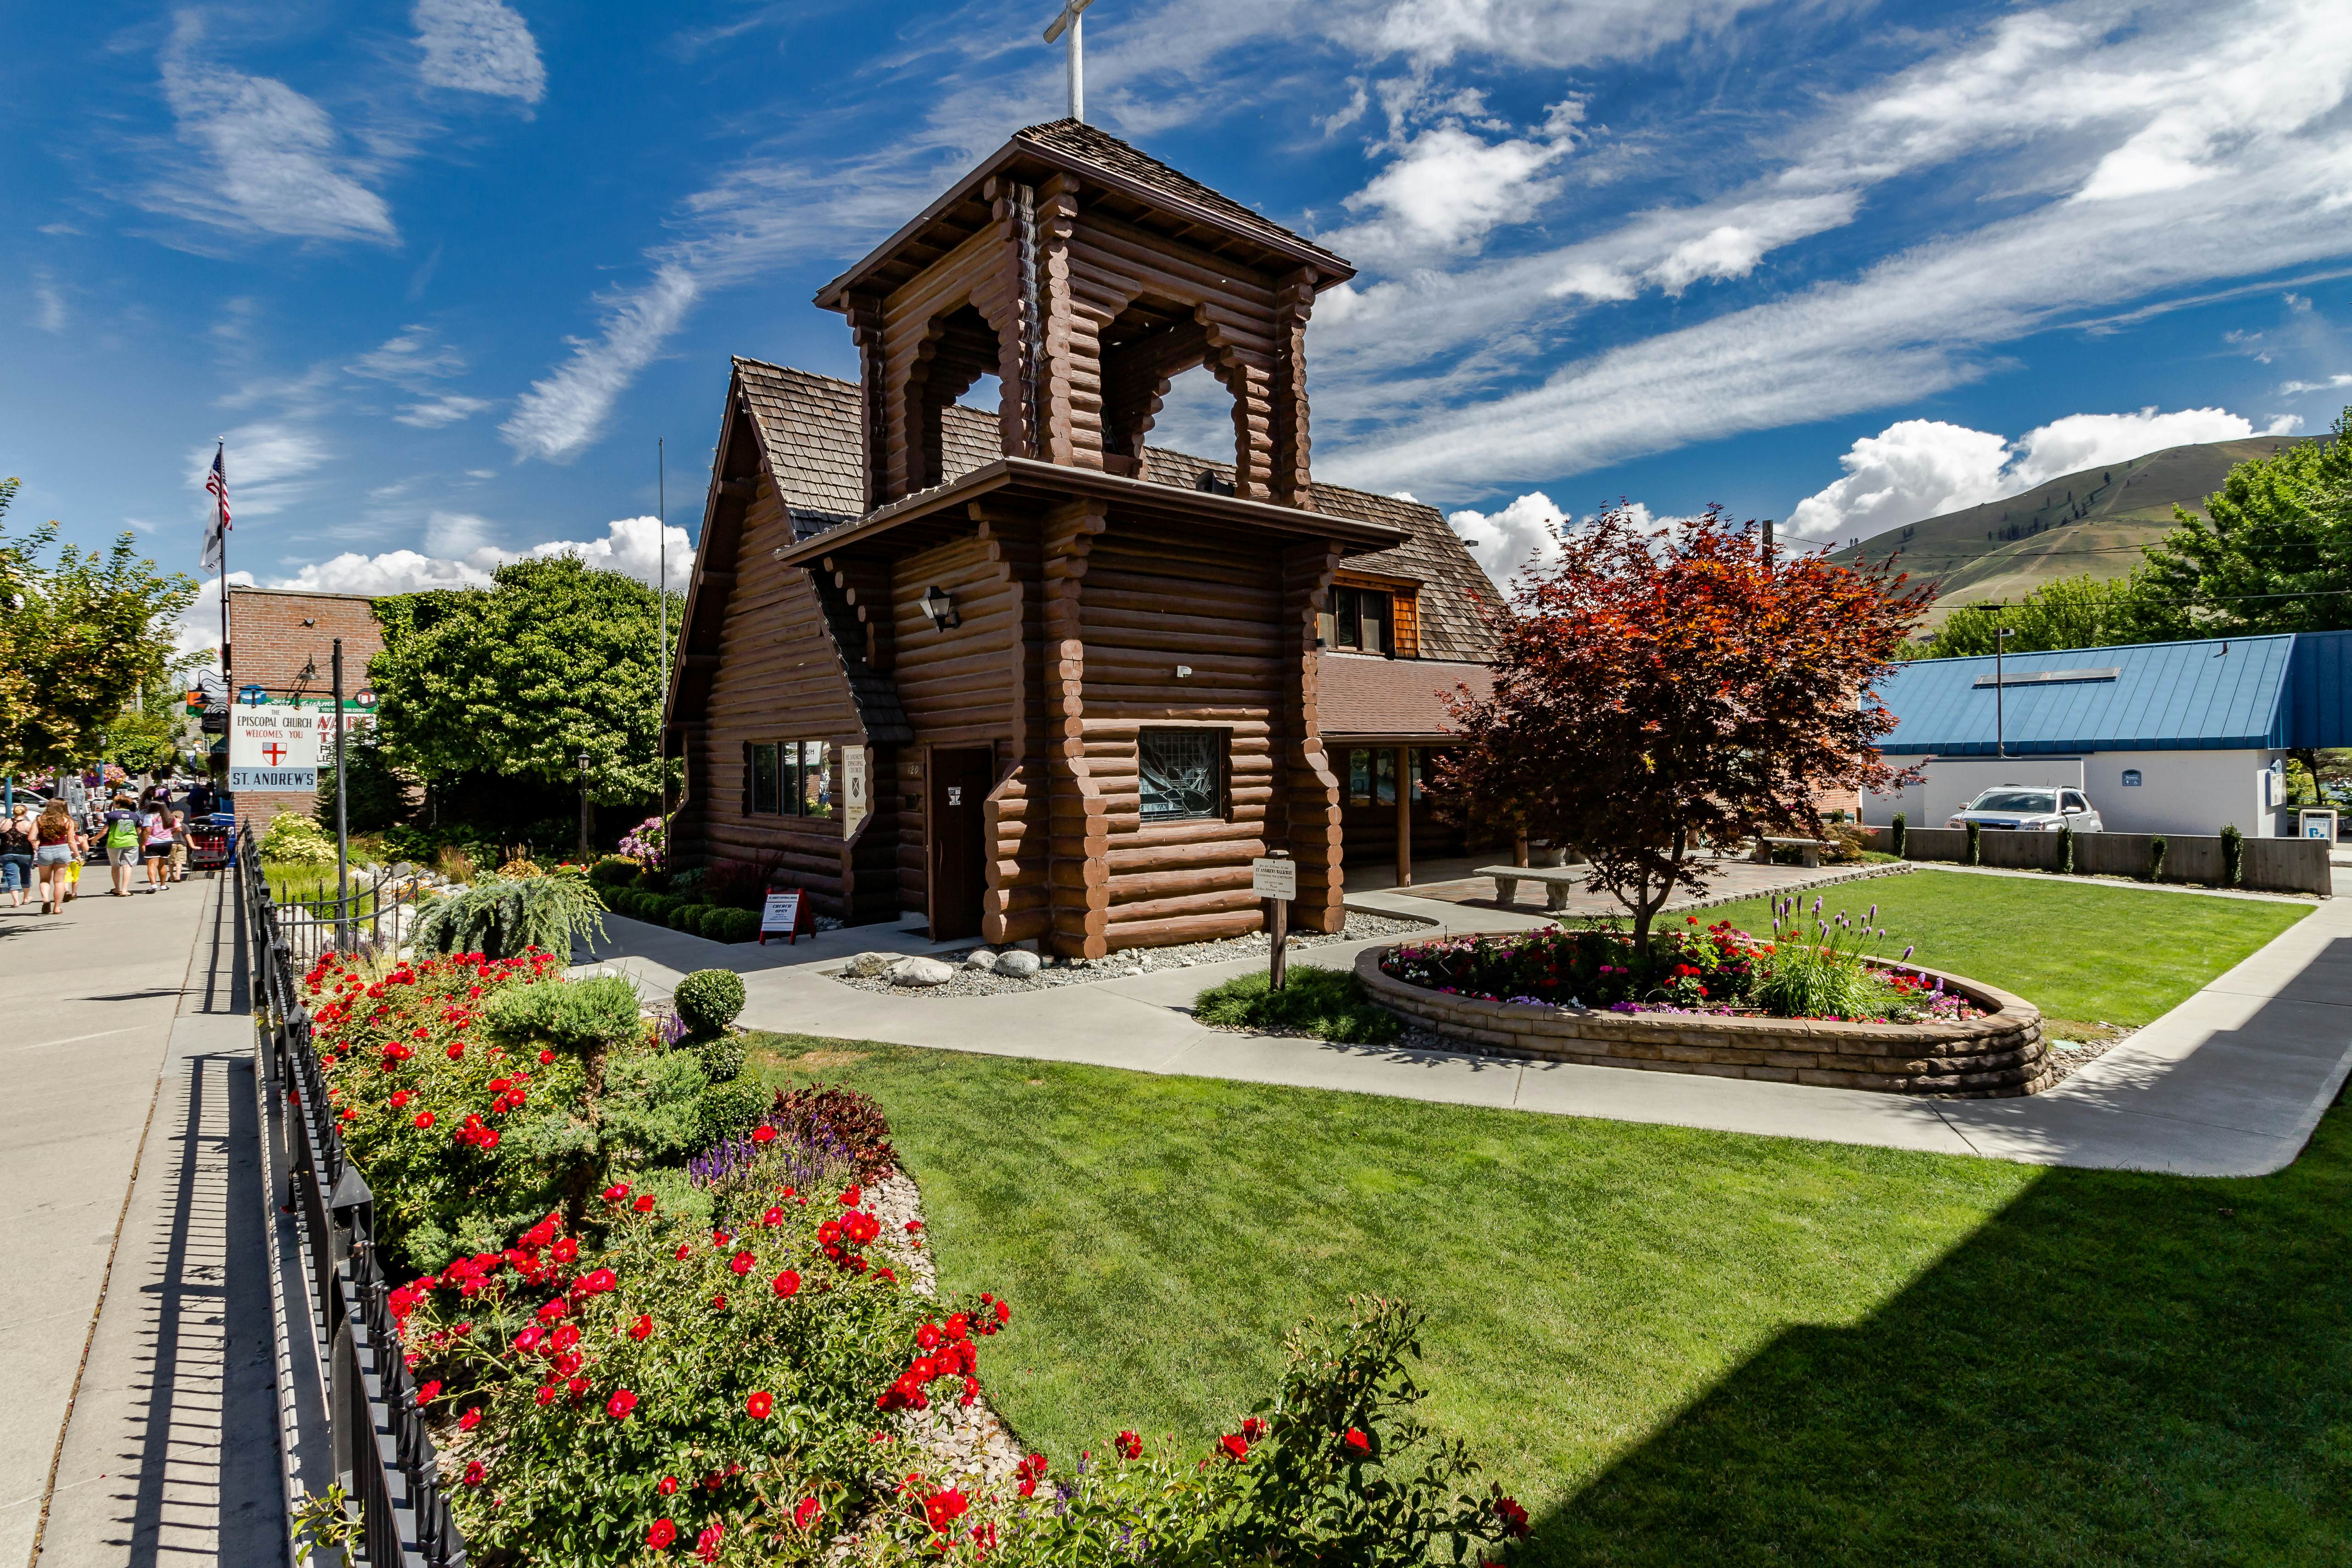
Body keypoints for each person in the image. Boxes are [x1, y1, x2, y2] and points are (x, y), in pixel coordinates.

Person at [33, 800, 78, 915]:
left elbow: (31, 837)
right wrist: (78, 855)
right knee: (59, 881)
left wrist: (36, 844)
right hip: (62, 850)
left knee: (44, 880)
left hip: (45, 850)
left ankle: (46, 900)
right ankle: (57, 908)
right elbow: (72, 841)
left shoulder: (39, 820)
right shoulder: (67, 821)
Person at [100, 794, 142, 896]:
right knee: (127, 866)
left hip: (115, 843)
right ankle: (125, 890)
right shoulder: (135, 816)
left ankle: (117, 889)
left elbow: (105, 831)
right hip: (131, 842)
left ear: (118, 804)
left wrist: (96, 839)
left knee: (115, 866)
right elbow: (139, 831)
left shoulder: (112, 815)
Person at [0, 806, 33, 909]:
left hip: (6, 852)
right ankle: (25, 898)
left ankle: (16, 901)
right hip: (25, 853)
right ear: (25, 812)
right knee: (26, 874)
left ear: (13, 812)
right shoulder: (28, 825)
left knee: (11, 875)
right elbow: (33, 838)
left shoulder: (4, 823)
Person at [141, 797, 177, 891]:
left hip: (153, 843)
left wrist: (143, 843)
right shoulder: (170, 816)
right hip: (167, 842)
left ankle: (153, 885)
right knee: (162, 865)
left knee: (152, 865)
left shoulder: (149, 817)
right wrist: (170, 835)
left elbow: (148, 830)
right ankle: (163, 885)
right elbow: (179, 829)